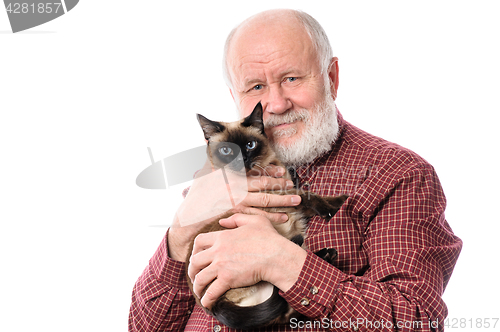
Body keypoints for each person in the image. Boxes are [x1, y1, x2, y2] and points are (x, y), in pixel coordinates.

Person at [128, 9, 462, 332]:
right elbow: (144, 329)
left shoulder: (397, 174)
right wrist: (180, 234)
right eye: (256, 87)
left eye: (291, 78)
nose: (276, 104)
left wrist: (284, 263)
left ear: (331, 78)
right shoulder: (213, 182)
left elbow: (415, 321)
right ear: (235, 97)